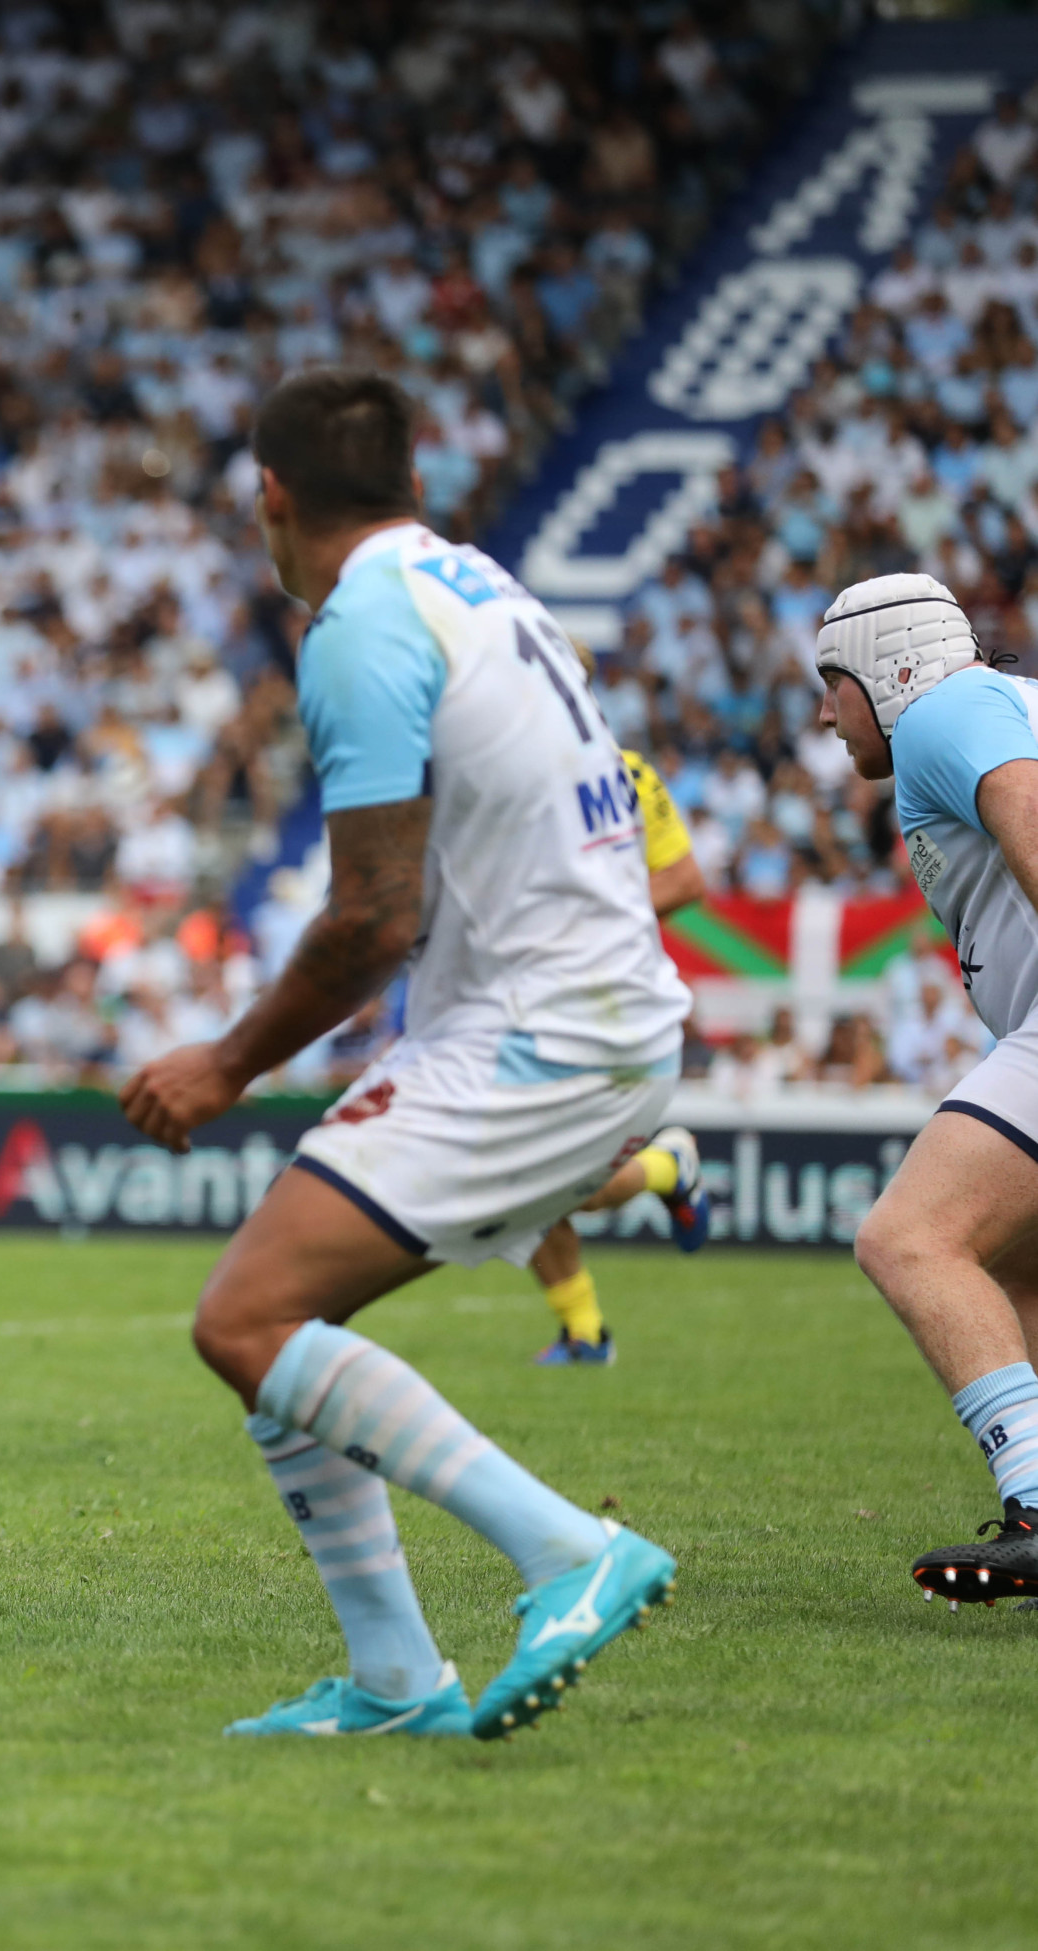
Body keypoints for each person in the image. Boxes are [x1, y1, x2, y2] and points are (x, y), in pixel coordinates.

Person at [120, 369, 681, 1741]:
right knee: (277, 1326)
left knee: (242, 1322)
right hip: (584, 1010)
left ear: (270, 496)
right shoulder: (482, 586)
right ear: (414, 484)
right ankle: (392, 1680)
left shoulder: (363, 621)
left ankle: (567, 1549)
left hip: (538, 1029)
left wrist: (226, 1062)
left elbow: (373, 913)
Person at [817, 572, 1038, 1606]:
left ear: (887, 665)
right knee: (1018, 1264)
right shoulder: (995, 703)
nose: (825, 713)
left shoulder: (944, 711)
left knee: (908, 1238)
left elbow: (1029, 818)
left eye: (832, 682)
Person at [528, 686, 712, 1367]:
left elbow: (685, 879)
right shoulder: (510, 778)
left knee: (567, 1184)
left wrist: (596, 916)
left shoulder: (627, 774)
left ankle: (667, 1166)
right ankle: (583, 1335)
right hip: (534, 1003)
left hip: (607, 1007)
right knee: (525, 1178)